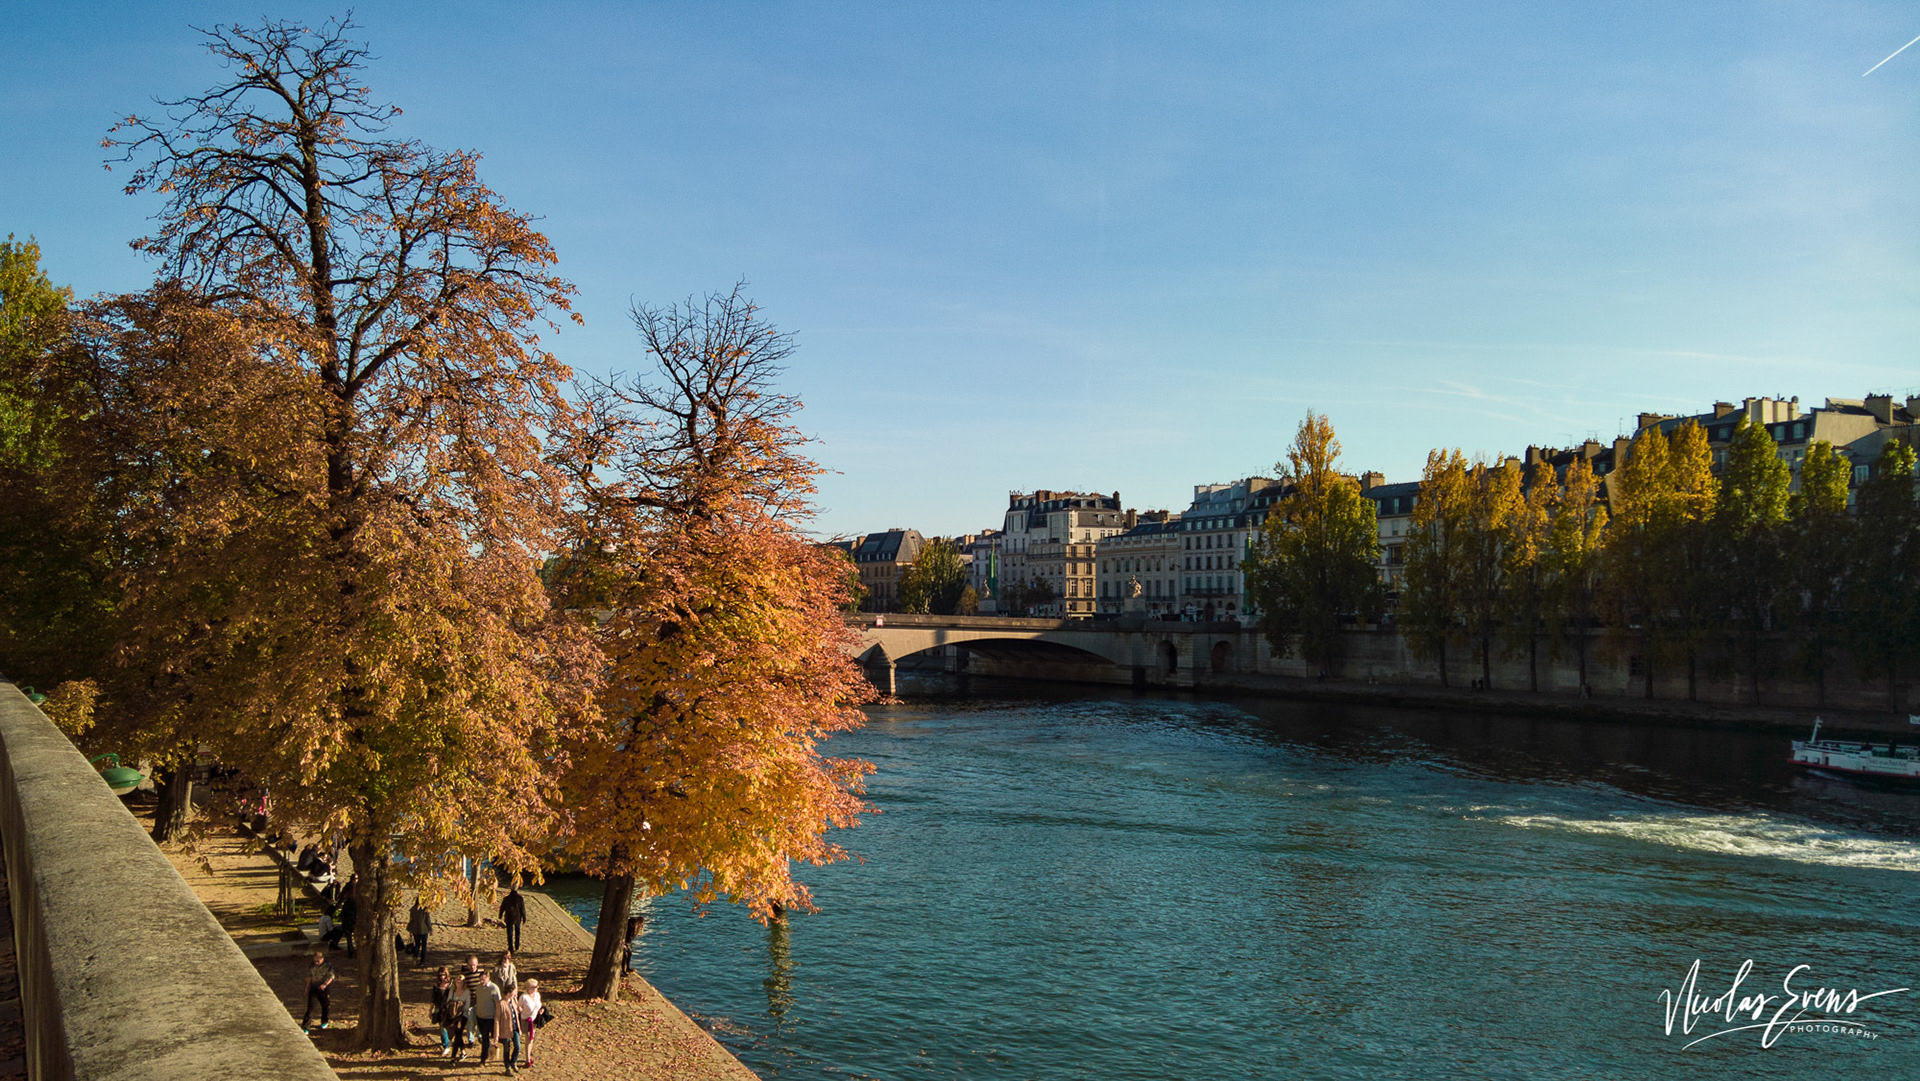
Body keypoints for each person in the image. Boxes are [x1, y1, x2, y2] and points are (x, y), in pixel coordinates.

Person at [300, 951, 334, 1034]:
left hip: (323, 989)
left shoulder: (328, 966)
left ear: (322, 959)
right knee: (311, 1008)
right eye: (315, 961)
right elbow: (309, 977)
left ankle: (324, 1021)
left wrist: (325, 985)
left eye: (318, 961)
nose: (316, 962)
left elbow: (331, 977)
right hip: (314, 988)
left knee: (325, 1005)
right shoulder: (312, 966)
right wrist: (307, 988)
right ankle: (306, 1027)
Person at [474, 972, 502, 1063]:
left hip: (490, 1017)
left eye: (483, 979)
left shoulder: (494, 988)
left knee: (486, 1037)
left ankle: (483, 1057)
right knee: (484, 1037)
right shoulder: (478, 988)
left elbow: (498, 1004)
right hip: (480, 1016)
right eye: (480, 979)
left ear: (488, 978)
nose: (481, 981)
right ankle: (486, 1054)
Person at [497, 980, 524, 1076]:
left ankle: (514, 1061)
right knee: (506, 1049)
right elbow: (497, 1020)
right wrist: (496, 1035)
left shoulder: (513, 1001)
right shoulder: (501, 1004)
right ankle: (507, 1067)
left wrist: (518, 1008)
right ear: (508, 993)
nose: (514, 995)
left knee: (517, 1046)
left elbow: (516, 1014)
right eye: (513, 993)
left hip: (515, 1027)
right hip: (505, 1029)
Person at [516, 978, 543, 1069]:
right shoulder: (523, 997)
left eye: (537, 986)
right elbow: (519, 1007)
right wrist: (519, 1009)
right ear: (529, 988)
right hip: (526, 1020)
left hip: (534, 1019)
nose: (536, 988)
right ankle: (527, 1059)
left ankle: (529, 1056)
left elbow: (539, 1005)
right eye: (534, 987)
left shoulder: (537, 995)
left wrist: (541, 1010)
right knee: (528, 1039)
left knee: (532, 1038)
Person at [430, 966, 457, 1058]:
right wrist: (430, 1010)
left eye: (444, 975)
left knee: (450, 1026)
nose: (442, 977)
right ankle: (446, 1045)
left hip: (448, 1008)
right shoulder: (436, 985)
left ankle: (449, 1040)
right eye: (440, 975)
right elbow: (433, 999)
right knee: (442, 1027)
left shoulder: (451, 985)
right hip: (439, 1008)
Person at [498, 885, 526, 953]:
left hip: (509, 917)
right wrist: (524, 917)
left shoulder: (507, 898)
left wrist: (500, 915)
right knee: (517, 931)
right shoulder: (520, 898)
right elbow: (522, 909)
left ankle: (510, 947)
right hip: (517, 917)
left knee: (509, 933)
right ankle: (517, 945)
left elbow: (502, 908)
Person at [408, 899, 433, 965]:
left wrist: (410, 929)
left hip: (415, 930)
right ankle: (422, 961)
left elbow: (411, 920)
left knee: (417, 944)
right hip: (424, 930)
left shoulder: (413, 909)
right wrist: (430, 929)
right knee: (424, 946)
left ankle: (415, 956)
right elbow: (427, 920)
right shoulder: (425, 909)